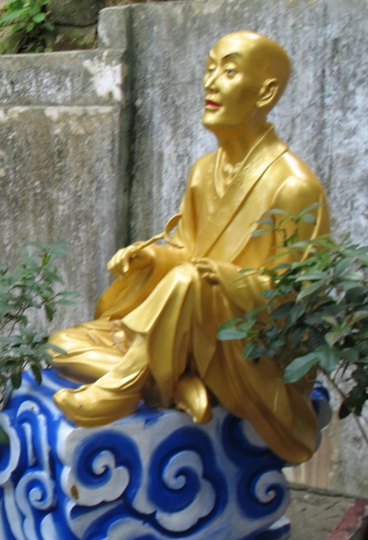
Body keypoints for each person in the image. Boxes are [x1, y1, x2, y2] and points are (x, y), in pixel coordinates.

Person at [50, 31, 330, 464]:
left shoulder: (294, 186)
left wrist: (217, 279)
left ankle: (124, 386)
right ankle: (172, 382)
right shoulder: (204, 172)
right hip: (182, 331)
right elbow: (185, 249)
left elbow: (293, 298)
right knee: (60, 344)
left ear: (267, 91)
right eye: (209, 69)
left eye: (230, 71)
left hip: (243, 348)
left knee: (189, 279)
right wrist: (152, 258)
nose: (211, 83)